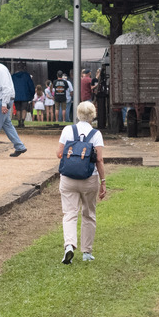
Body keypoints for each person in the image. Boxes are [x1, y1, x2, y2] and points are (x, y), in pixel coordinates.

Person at [57, 100, 108, 264]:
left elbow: (59, 153)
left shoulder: (67, 130)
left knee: (70, 213)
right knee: (88, 214)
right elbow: (99, 159)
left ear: (78, 114)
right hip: (89, 179)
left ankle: (69, 246)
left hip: (68, 179)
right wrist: (103, 181)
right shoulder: (96, 134)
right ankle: (87, 252)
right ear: (92, 115)